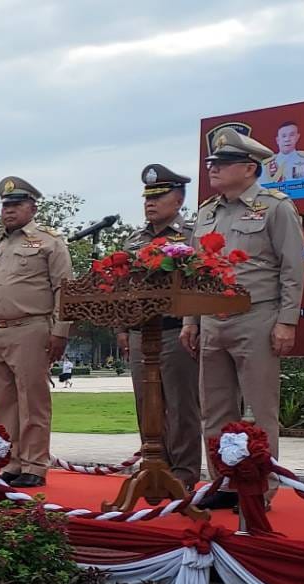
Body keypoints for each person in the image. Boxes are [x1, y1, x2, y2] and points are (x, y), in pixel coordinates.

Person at [185, 128, 304, 511]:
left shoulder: (275, 207)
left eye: (223, 163)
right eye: (212, 163)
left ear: (250, 168)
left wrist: (287, 321)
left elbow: (292, 268)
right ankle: (224, 481)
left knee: (260, 409)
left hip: (258, 317)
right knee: (215, 409)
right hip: (211, 320)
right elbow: (194, 272)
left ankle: (258, 489)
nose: (213, 169)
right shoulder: (207, 212)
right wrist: (190, 321)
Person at [0, 176, 74, 488]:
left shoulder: (49, 242)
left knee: (33, 401)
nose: (9, 210)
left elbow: (64, 289)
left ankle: (35, 464)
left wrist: (61, 331)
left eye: (17, 204)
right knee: (2, 402)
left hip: (30, 328)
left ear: (32, 208)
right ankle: (12, 461)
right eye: (5, 205)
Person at [123, 163, 202, 485]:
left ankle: (183, 472)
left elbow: (199, 283)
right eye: (147, 197)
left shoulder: (191, 236)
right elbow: (122, 287)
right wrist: (121, 329)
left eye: (158, 196)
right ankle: (155, 466)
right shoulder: (133, 240)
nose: (150, 203)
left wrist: (193, 324)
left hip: (175, 330)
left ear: (179, 199)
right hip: (140, 332)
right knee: (146, 403)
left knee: (181, 405)